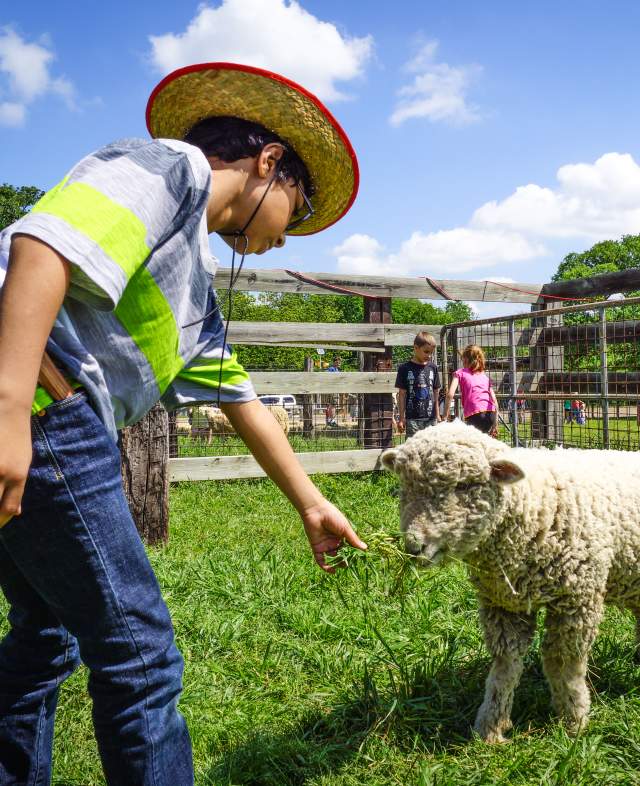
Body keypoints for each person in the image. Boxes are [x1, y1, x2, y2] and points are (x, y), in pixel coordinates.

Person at [0, 62, 367, 785]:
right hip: (41, 408)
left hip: (42, 418)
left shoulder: (194, 289)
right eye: (298, 203)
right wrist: (12, 407)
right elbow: (43, 245)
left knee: (45, 638)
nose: (286, 236)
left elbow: (242, 400)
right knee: (140, 653)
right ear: (269, 162)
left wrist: (311, 503)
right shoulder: (173, 167)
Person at [444, 344, 499, 435]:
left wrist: (445, 417)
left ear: (465, 359)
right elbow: (495, 401)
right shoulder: (484, 376)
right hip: (490, 415)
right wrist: (495, 424)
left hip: (474, 415)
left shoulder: (460, 373)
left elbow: (450, 395)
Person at [395, 332, 441, 438]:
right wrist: (402, 418)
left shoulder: (433, 368)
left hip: (431, 419)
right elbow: (401, 394)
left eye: (431, 353)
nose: (429, 356)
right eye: (426, 352)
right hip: (412, 419)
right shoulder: (404, 369)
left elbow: (436, 393)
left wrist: (438, 415)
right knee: (413, 448)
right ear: (416, 348)